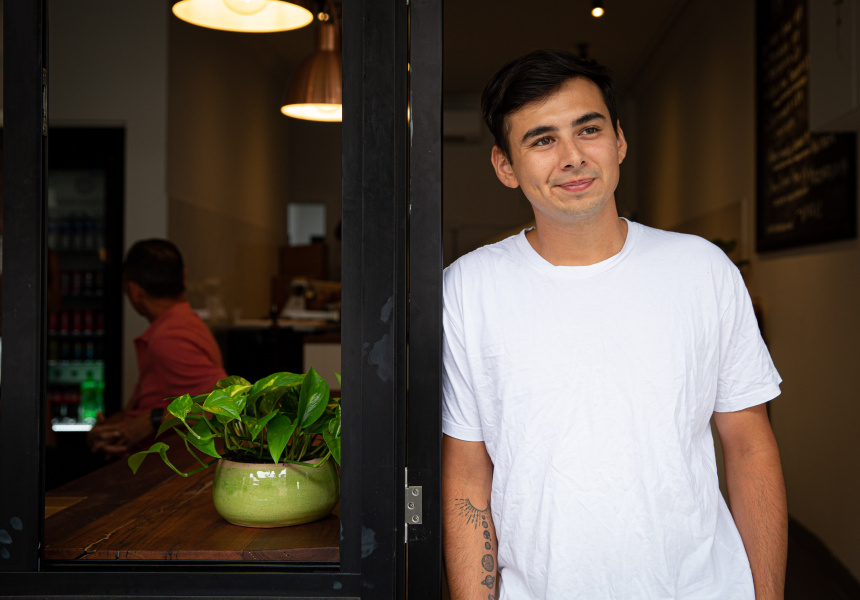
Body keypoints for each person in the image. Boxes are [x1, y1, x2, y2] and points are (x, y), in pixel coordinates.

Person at [441, 50, 787, 600]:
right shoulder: (467, 289)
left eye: (589, 129)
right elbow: (467, 473)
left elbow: (748, 445)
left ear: (619, 140)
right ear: (505, 166)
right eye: (542, 140)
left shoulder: (702, 269)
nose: (573, 157)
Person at [87, 239, 227, 458]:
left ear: (134, 290)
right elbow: (149, 404)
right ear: (184, 277)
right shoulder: (184, 324)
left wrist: (152, 420)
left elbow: (220, 405)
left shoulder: (170, 337)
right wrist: (112, 428)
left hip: (169, 470)